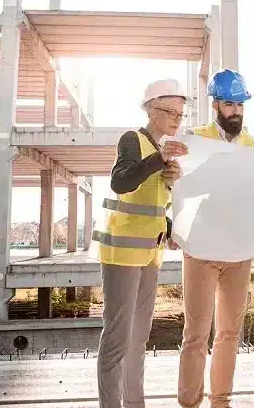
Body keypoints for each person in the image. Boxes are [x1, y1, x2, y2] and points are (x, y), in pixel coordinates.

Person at [93, 78, 189, 408]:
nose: (177, 118)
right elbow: (120, 182)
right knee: (118, 339)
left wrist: (171, 229)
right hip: (122, 253)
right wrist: (157, 160)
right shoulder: (133, 140)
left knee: (138, 340)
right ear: (150, 109)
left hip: (150, 254)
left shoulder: (161, 154)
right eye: (170, 110)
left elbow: (152, 206)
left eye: (181, 113)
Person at [177, 69, 254, 408]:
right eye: (230, 104)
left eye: (241, 104)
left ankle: (221, 401)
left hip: (238, 252)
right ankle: (189, 402)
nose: (237, 111)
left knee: (229, 332)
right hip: (200, 250)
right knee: (196, 333)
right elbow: (176, 189)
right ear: (216, 105)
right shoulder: (193, 140)